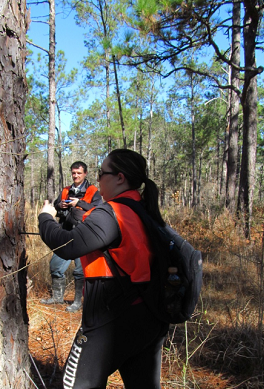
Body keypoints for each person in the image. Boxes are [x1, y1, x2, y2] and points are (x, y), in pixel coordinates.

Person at [38, 149, 169, 389]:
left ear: (120, 177)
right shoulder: (142, 209)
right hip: (148, 314)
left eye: (102, 173)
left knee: (76, 385)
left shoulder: (112, 213)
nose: (98, 180)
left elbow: (66, 246)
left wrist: (45, 217)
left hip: (112, 317)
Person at [41, 161, 102, 313]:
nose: (76, 176)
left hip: (83, 236)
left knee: (80, 271)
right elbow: (55, 206)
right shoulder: (66, 190)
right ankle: (57, 297)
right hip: (65, 233)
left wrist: (79, 203)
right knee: (55, 266)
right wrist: (59, 205)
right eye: (74, 173)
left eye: (79, 173)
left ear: (85, 173)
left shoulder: (93, 191)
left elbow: (99, 210)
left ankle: (77, 302)